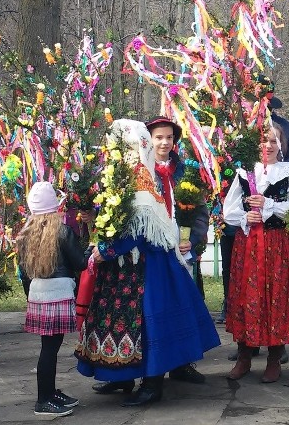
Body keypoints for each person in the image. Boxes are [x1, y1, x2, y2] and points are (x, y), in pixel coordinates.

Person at [76, 120, 219, 407]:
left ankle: (152, 382)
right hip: (123, 265)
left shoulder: (141, 177)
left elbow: (140, 229)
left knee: (148, 322)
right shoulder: (123, 175)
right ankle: (122, 375)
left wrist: (110, 249)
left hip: (149, 264)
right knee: (122, 321)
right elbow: (117, 217)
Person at [223, 123, 289, 383]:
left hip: (279, 243)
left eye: (274, 141)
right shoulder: (244, 172)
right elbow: (229, 211)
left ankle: (275, 357)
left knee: (276, 295)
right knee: (246, 295)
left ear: (281, 145)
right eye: (264, 141)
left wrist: (270, 204)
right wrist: (245, 217)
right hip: (249, 243)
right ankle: (244, 355)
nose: (268, 146)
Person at [145, 116, 209, 385]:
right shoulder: (141, 171)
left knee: (184, 305)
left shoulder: (185, 172)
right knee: (159, 309)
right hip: (153, 252)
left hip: (181, 250)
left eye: (169, 138)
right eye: (158, 137)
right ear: (148, 139)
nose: (164, 142)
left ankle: (183, 363)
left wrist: (193, 241)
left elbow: (200, 212)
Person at [17, 182, 87, 417]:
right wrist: (90, 250)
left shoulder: (26, 233)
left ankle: (50, 392)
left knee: (49, 348)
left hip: (38, 292)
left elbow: (23, 270)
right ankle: (43, 400)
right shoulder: (63, 231)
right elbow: (81, 263)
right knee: (49, 350)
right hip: (58, 292)